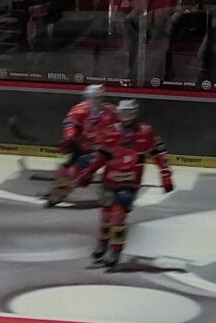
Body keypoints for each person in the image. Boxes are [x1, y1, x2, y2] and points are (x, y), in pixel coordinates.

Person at [82, 97, 173, 270]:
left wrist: (165, 174)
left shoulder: (145, 132)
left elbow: (159, 153)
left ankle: (115, 250)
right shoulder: (110, 132)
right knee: (106, 216)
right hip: (110, 181)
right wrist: (89, 172)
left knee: (118, 215)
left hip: (130, 182)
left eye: (129, 113)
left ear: (135, 113)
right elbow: (102, 156)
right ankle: (102, 244)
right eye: (123, 113)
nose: (126, 117)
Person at [42, 84, 116, 207]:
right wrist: (69, 136)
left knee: (78, 172)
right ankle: (57, 190)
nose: (93, 101)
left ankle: (110, 192)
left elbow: (117, 131)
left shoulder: (110, 113)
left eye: (97, 98)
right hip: (81, 146)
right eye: (90, 97)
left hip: (100, 151)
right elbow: (69, 124)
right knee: (64, 168)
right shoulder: (79, 110)